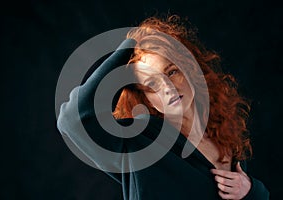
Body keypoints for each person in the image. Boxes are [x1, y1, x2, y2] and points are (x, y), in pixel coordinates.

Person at [57, 14, 269, 199]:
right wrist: (132, 44)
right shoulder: (139, 141)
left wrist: (252, 191)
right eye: (151, 84)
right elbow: (73, 119)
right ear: (146, 98)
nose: (167, 88)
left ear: (190, 69)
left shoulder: (223, 136)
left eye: (171, 72)